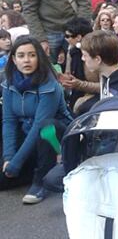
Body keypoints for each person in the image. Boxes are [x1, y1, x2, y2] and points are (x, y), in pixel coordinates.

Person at [1, 36, 73, 204]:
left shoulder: (50, 85)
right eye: (21, 55)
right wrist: (9, 158)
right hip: (27, 135)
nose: (26, 60)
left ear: (39, 57)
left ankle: (41, 179)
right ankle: (32, 167)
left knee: (46, 127)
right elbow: (9, 122)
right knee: (4, 177)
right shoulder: (8, 84)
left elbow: (39, 125)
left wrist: (16, 163)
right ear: (13, 59)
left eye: (32, 55)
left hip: (54, 137)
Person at [22, 0, 92, 62]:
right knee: (48, 71)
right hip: (47, 33)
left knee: (77, 69)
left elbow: (85, 3)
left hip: (74, 32)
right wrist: (40, 39)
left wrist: (80, 31)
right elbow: (29, 9)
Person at [59, 17, 97, 114]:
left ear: (79, 37)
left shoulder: (97, 53)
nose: (65, 39)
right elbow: (68, 73)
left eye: (67, 36)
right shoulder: (72, 51)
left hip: (95, 98)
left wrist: (79, 84)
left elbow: (107, 85)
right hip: (76, 94)